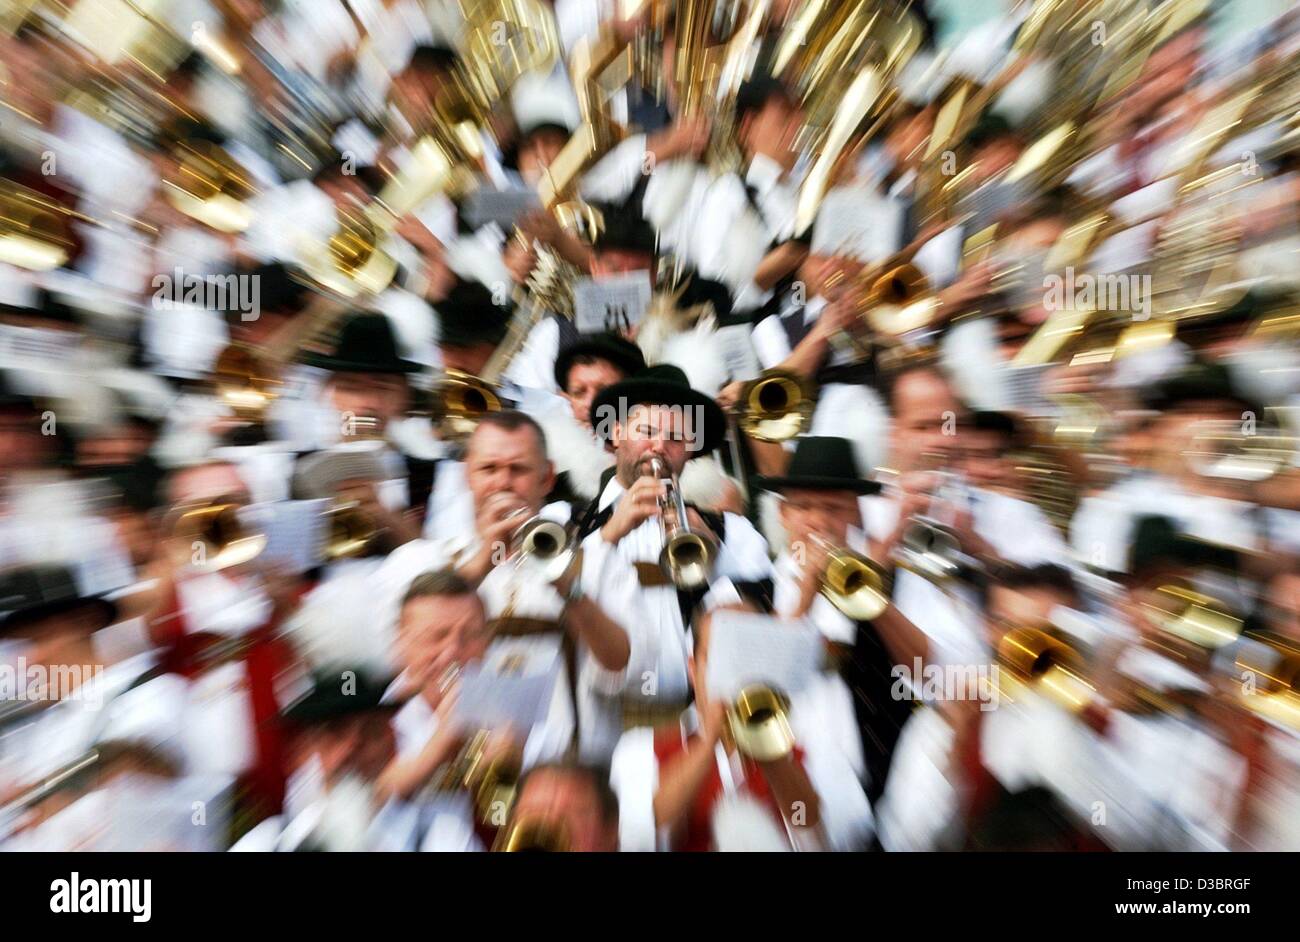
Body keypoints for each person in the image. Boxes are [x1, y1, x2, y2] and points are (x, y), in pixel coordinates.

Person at [375, 410, 635, 760]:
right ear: (467, 474)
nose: (503, 483)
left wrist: (567, 585)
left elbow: (622, 666)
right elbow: (395, 671)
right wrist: (484, 558)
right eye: (489, 469)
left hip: (567, 769)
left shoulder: (597, 556)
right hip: (456, 771)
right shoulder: (417, 561)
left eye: (519, 470)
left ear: (546, 478)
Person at [575, 364, 773, 747]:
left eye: (676, 438)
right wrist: (608, 533)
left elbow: (760, 629)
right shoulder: (564, 523)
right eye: (646, 431)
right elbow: (549, 593)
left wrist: (714, 558)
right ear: (616, 433)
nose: (659, 447)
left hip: (697, 728)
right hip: (592, 721)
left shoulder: (732, 531)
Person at [609, 604, 872, 851]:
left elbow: (825, 840)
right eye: (721, 659)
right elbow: (637, 836)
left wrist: (771, 750)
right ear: (693, 668)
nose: (735, 676)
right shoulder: (641, 747)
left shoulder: (812, 743)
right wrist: (708, 742)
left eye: (749, 658)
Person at [756, 436, 932, 803]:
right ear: (783, 514)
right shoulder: (747, 589)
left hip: (884, 786)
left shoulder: (899, 584)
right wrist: (805, 596)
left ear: (856, 513)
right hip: (784, 785)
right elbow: (754, 689)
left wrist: (872, 596)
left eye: (834, 508)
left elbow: (934, 679)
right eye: (804, 507)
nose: (819, 521)